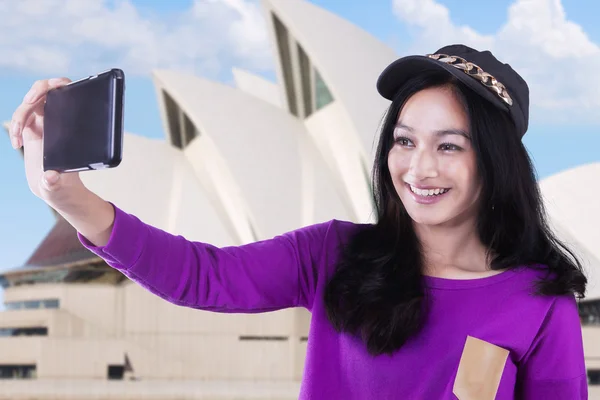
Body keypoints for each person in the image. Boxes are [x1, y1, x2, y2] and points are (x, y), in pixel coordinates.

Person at [9, 44, 588, 399]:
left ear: (494, 161)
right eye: (405, 140)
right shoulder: (334, 255)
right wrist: (66, 195)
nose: (418, 167)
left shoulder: (539, 304)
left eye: (450, 146)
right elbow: (202, 275)